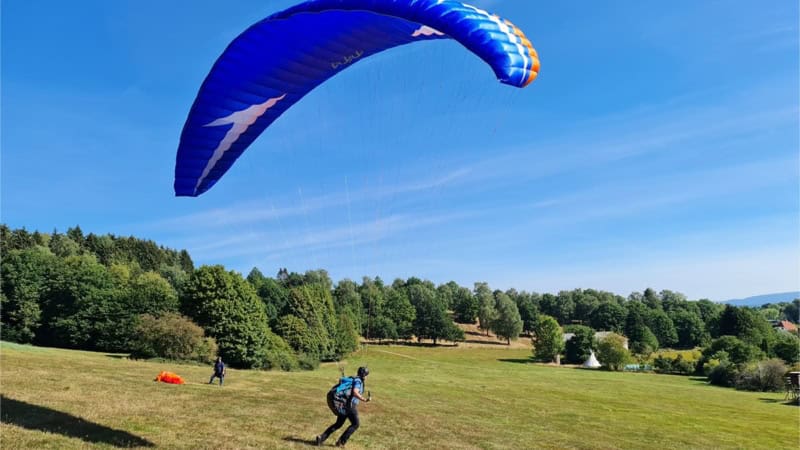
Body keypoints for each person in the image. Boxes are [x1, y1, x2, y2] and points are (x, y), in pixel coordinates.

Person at [316, 367, 370, 447]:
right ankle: (341, 442)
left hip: (344, 404)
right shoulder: (358, 381)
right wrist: (364, 399)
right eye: (366, 375)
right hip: (350, 406)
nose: (367, 377)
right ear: (364, 375)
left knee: (338, 424)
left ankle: (321, 438)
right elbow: (355, 392)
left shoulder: (354, 379)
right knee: (355, 424)